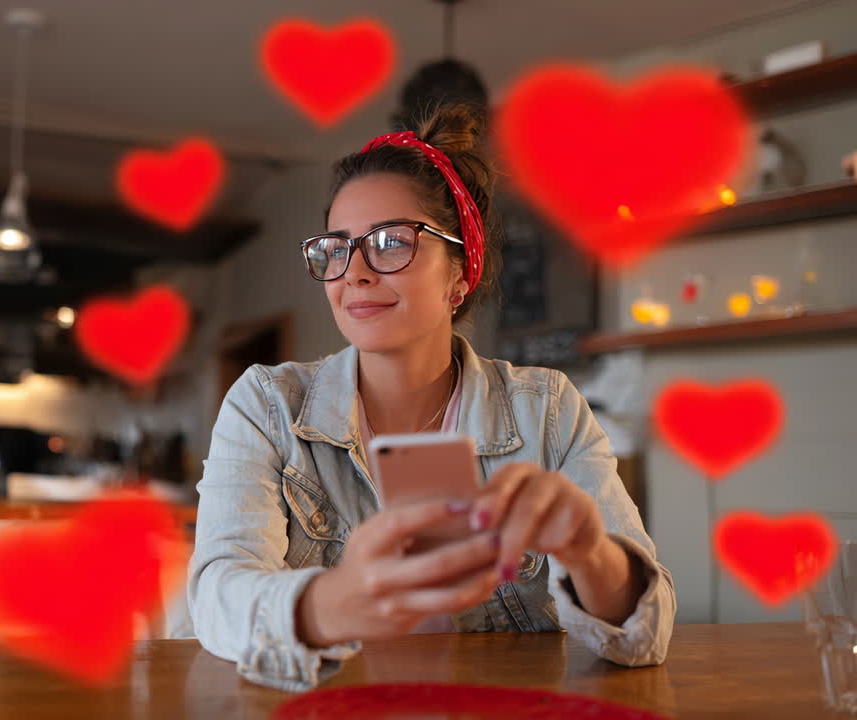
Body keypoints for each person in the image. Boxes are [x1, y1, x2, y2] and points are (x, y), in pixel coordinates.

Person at [186, 103, 676, 692]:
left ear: (459, 274)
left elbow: (647, 633)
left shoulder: (546, 410)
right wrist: (341, 601)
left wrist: (591, 551)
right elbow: (215, 596)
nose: (356, 273)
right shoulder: (268, 405)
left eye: (391, 242)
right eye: (335, 249)